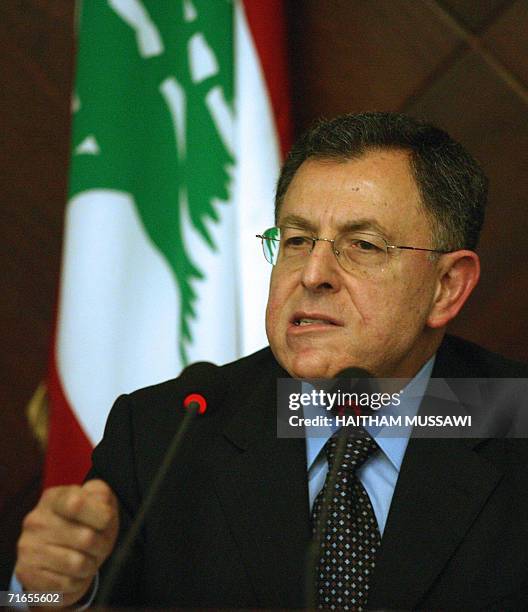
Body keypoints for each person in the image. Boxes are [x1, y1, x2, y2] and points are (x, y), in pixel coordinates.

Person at [14, 112, 528, 609]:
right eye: (298, 240)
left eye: (364, 245)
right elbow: (59, 596)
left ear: (446, 287)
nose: (312, 275)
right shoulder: (164, 432)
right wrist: (52, 594)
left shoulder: (512, 418)